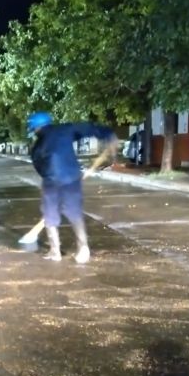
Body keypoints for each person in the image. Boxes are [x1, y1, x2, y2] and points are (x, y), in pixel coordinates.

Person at [27, 112, 117, 263]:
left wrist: (51, 178)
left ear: (35, 128)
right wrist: (109, 135)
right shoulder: (65, 129)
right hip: (71, 180)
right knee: (74, 213)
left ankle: (55, 252)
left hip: (51, 183)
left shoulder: (36, 147)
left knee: (50, 216)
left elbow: (40, 168)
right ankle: (83, 249)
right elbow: (88, 128)